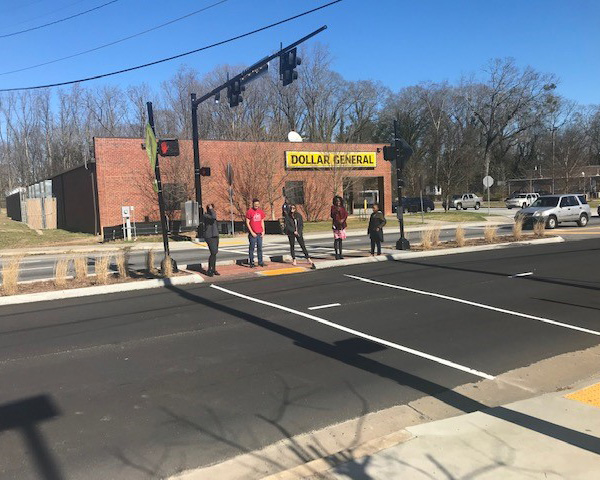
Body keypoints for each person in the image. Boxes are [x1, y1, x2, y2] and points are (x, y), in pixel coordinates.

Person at [284, 204, 315, 269]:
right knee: (292, 246)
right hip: (291, 233)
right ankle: (294, 259)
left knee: (302, 245)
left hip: (299, 233)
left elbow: (301, 224)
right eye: (291, 208)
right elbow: (287, 226)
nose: (292, 210)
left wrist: (299, 232)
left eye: (293, 208)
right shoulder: (287, 216)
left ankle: (308, 258)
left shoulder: (298, 215)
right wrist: (293, 231)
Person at [245, 198, 266, 267]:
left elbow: (262, 221)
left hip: (259, 233)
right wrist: (251, 232)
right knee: (252, 248)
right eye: (255, 204)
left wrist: (263, 231)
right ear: (253, 204)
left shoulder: (260, 212)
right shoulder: (249, 212)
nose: (256, 205)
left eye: (258, 204)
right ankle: (251, 262)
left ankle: (260, 262)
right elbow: (247, 222)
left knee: (260, 248)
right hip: (253, 234)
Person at [203, 203, 220, 276]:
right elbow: (213, 217)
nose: (212, 209)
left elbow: (214, 217)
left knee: (215, 253)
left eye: (212, 208)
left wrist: (212, 210)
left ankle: (213, 269)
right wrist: (211, 209)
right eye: (210, 208)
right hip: (209, 236)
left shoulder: (213, 214)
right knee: (213, 252)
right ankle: (209, 270)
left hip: (215, 235)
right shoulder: (205, 215)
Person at [331, 196, 348, 260]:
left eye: (339, 201)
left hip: (342, 226)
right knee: (336, 240)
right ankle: (336, 254)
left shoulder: (343, 208)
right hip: (336, 226)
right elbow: (332, 215)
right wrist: (336, 211)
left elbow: (346, 214)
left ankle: (340, 254)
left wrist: (343, 220)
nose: (338, 202)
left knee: (340, 240)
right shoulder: (333, 208)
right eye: (337, 201)